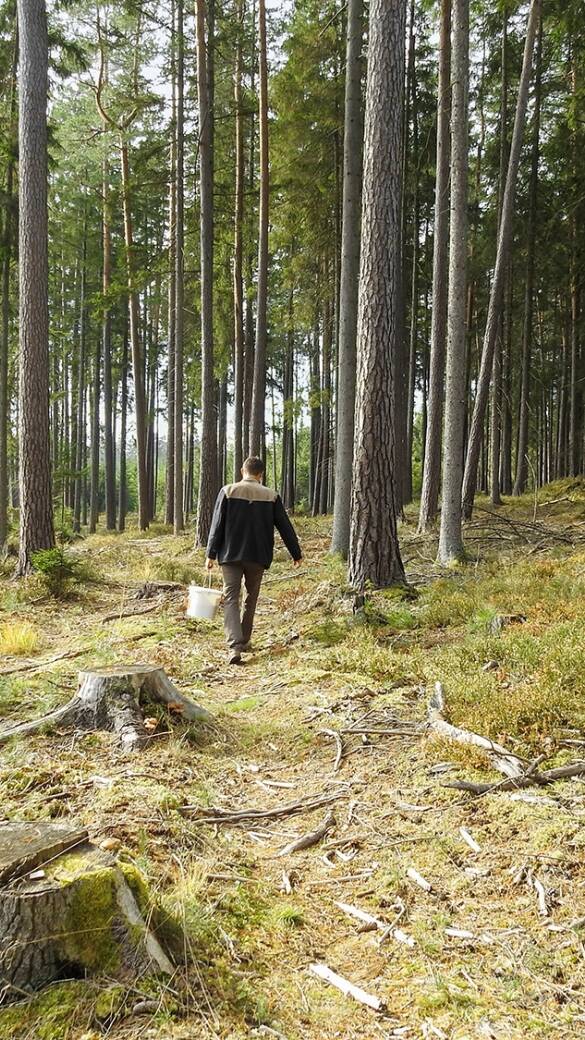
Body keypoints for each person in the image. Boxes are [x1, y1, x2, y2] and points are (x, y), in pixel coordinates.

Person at [205, 457, 303, 664]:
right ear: (261, 475)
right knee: (251, 597)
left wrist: (210, 554)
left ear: (243, 471)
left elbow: (217, 525)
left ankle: (234, 646)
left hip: (230, 555)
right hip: (258, 555)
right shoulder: (271, 495)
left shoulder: (228, 491)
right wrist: (296, 553)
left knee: (231, 597)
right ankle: (245, 639)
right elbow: (285, 526)